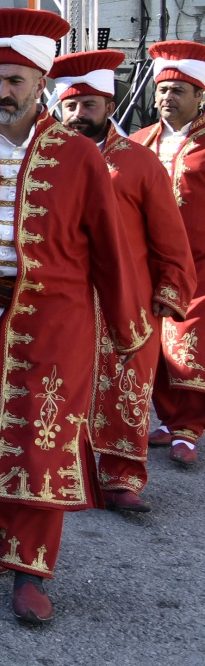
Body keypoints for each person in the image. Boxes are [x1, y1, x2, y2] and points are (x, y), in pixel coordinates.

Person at [0, 8, 139, 626]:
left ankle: (33, 565)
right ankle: (4, 532)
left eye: (15, 81)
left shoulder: (78, 157)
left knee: (41, 440)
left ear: (40, 83)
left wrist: (126, 328)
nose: (2, 93)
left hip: (55, 319)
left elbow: (110, 248)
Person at [54, 50, 194, 512]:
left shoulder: (138, 162)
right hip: (61, 300)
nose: (78, 115)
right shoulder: (46, 161)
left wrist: (169, 291)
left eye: (89, 105)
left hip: (129, 302)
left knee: (125, 390)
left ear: (109, 106)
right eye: (71, 106)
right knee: (59, 389)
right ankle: (61, 473)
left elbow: (169, 235)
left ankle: (120, 479)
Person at [128, 39, 205, 465]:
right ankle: (169, 417)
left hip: (200, 263)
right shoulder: (138, 143)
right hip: (150, 262)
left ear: (199, 96)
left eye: (178, 91)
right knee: (153, 343)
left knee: (188, 342)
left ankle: (189, 427)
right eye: (161, 90)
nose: (167, 98)